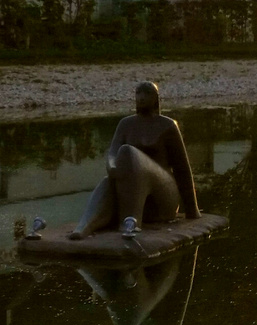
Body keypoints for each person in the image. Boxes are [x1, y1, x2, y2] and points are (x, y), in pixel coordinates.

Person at [70, 81, 199, 239]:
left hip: (162, 199)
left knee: (128, 152)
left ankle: (131, 224)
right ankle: (85, 225)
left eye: (146, 94)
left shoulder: (168, 126)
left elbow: (182, 168)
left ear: (155, 98)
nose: (141, 98)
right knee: (107, 182)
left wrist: (192, 210)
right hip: (132, 195)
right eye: (138, 93)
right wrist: (112, 167)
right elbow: (112, 154)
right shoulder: (125, 124)